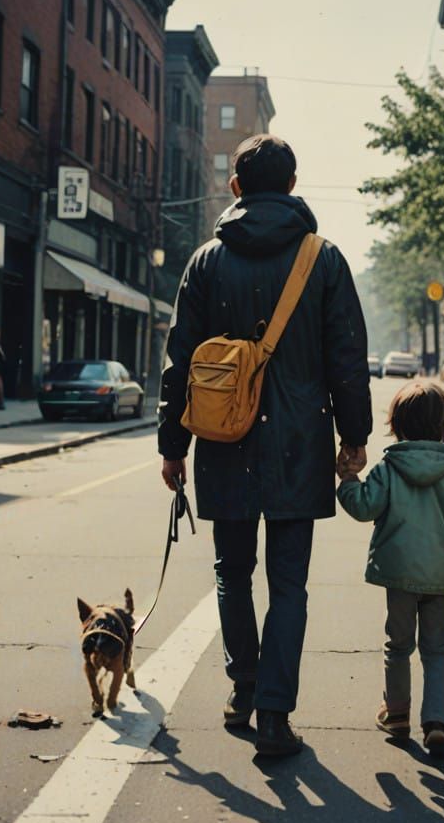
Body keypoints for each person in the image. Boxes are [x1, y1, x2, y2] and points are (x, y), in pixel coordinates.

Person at [158, 133, 372, 757]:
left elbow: (180, 363)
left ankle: (242, 689)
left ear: (236, 186)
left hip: (224, 441)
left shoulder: (205, 262)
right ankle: (275, 716)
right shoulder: (323, 259)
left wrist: (172, 446)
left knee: (231, 572)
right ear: (293, 183)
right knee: (290, 584)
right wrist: (353, 437)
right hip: (300, 445)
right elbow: (347, 357)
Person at [335, 380, 444, 757]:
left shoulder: (388, 468)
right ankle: (437, 722)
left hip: (399, 576)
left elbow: (364, 507)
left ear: (398, 424)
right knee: (437, 650)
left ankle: (396, 714)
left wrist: (346, 480)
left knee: (398, 646)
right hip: (441, 579)